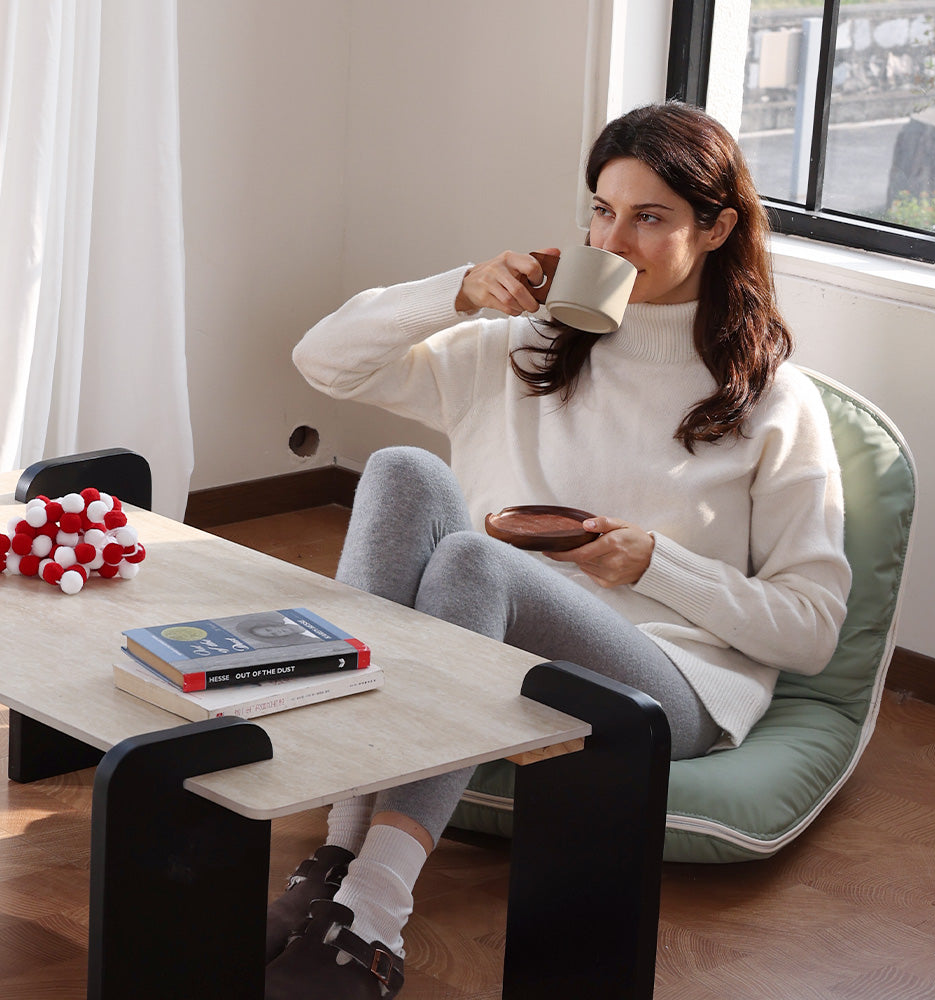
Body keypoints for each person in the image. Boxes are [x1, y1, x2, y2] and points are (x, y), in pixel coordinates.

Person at [265, 100, 852, 999]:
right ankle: (338, 869)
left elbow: (811, 630)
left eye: (650, 217)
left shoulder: (772, 400)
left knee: (473, 561)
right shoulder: (529, 346)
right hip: (493, 640)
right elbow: (325, 360)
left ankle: (377, 908)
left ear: (719, 227)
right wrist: (457, 288)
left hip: (670, 683)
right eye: (601, 211)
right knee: (400, 470)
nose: (613, 241)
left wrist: (657, 564)